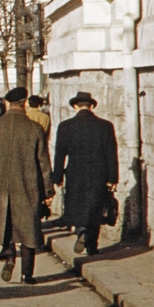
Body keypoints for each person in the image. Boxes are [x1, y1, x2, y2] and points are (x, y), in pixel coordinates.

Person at [0, 86, 52, 284]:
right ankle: (27, 274)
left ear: (7, 103)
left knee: (6, 222)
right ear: (24, 103)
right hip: (28, 185)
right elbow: (43, 162)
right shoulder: (34, 128)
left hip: (0, 185)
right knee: (29, 228)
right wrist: (47, 190)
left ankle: (9, 254)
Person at [52, 92, 119, 255]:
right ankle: (92, 246)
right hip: (98, 173)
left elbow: (60, 153)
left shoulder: (65, 126)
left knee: (77, 204)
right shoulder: (105, 125)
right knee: (95, 206)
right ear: (91, 106)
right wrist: (112, 178)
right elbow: (111, 153)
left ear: (75, 106)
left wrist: (58, 176)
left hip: (75, 172)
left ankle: (81, 229)